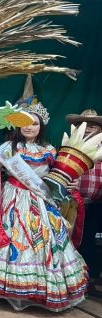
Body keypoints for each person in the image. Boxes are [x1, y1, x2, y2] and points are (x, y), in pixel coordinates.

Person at [0, 99, 87, 311]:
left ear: (41, 126)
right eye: (24, 121)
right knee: (7, 238)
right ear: (17, 124)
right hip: (11, 198)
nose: (29, 126)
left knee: (40, 243)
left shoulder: (50, 150)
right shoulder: (9, 147)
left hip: (39, 202)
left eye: (34, 123)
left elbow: (57, 177)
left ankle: (34, 289)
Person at [64, 109, 102, 295]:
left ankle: (91, 279)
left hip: (97, 206)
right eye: (82, 125)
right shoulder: (69, 147)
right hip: (73, 203)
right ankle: (73, 280)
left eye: (92, 125)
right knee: (72, 240)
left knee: (93, 242)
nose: (87, 129)